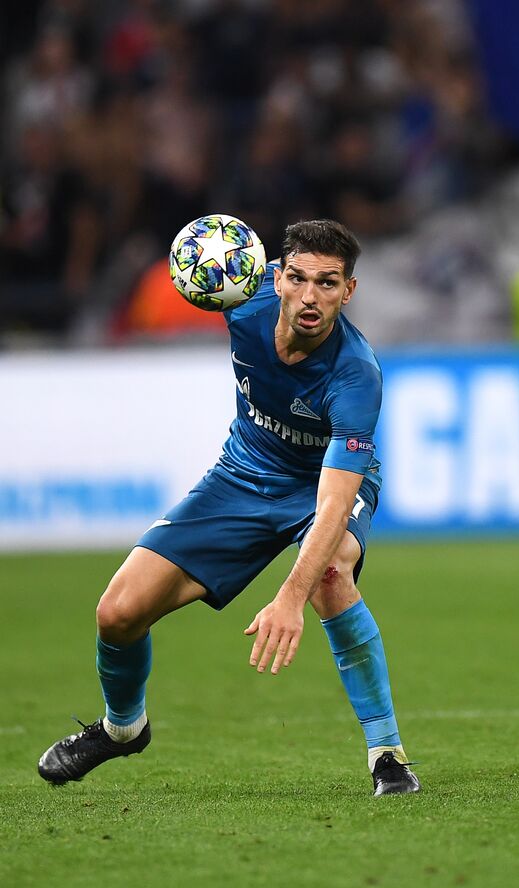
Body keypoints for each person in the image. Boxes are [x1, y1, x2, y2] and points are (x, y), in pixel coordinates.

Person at [37, 219, 420, 796]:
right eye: (298, 278)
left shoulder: (355, 375)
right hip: (240, 477)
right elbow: (204, 265)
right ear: (277, 276)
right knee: (117, 613)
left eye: (328, 283)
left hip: (321, 485)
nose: (310, 296)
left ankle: (387, 753)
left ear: (349, 291)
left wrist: (290, 597)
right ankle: (122, 729)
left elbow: (335, 503)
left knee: (331, 571)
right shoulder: (242, 291)